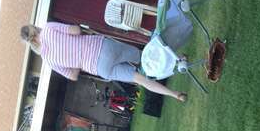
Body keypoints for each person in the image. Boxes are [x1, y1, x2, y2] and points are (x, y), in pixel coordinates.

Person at [20, 23, 187, 103]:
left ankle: (176, 95)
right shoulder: (49, 28)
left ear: (30, 42)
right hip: (102, 47)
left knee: (139, 79)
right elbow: (76, 31)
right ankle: (178, 61)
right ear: (34, 28)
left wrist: (75, 59)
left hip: (98, 68)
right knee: (144, 56)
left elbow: (72, 75)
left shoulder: (48, 60)